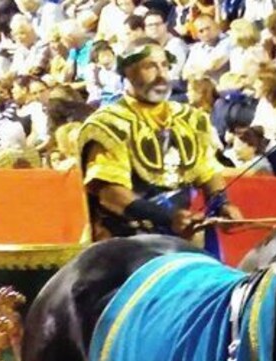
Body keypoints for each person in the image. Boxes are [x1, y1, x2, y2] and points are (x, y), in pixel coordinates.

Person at [77, 38, 242, 242]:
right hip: (123, 239)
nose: (161, 74)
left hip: (180, 233)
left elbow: (207, 171)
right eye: (150, 66)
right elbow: (110, 194)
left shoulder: (191, 118)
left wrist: (221, 203)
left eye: (164, 65)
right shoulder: (108, 124)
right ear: (128, 72)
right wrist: (167, 217)